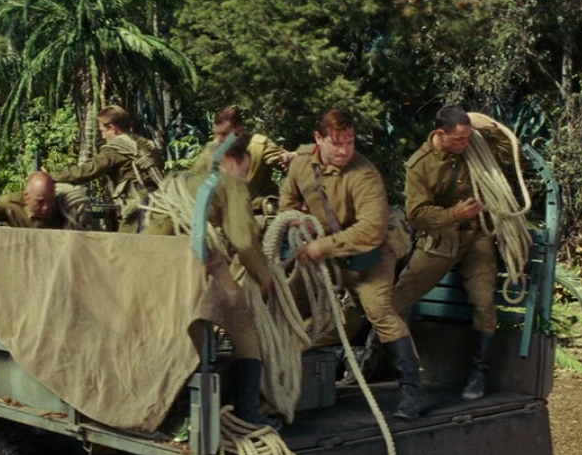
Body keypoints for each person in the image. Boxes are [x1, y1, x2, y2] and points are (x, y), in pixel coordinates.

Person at [280, 109, 423, 420]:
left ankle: (411, 390)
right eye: (337, 143)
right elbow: (288, 201)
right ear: (318, 139)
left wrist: (321, 247)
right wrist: (296, 222)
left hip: (371, 252)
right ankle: (274, 376)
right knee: (289, 300)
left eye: (350, 142)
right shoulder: (302, 163)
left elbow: (371, 230)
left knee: (379, 309)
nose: (345, 150)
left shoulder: (364, 174)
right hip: (323, 250)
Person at [147, 132, 278, 427]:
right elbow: (243, 241)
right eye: (246, 169)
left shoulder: (179, 182)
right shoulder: (229, 183)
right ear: (231, 161)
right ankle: (248, 411)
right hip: (190, 265)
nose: (246, 177)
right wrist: (265, 276)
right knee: (242, 319)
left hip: (157, 266)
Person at [393, 105, 514, 407]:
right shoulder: (419, 166)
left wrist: (490, 128)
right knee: (396, 301)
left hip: (476, 237)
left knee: (484, 303)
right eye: (459, 139)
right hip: (440, 239)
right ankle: (396, 368)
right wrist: (453, 215)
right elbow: (417, 214)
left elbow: (509, 154)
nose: (465, 144)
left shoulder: (474, 148)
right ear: (440, 134)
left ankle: (479, 373)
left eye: (468, 137)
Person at [53, 105, 164, 232]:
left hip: (135, 208)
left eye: (102, 131)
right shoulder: (147, 145)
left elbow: (87, 171)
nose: (103, 136)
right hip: (157, 202)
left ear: (112, 128)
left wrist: (52, 177)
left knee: (125, 242)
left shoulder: (113, 150)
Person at [193, 106, 295, 212]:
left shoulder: (258, 145)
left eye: (225, 134)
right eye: (216, 134)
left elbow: (292, 163)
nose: (219, 139)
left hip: (257, 211)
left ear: (240, 131)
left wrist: (291, 158)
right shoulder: (211, 151)